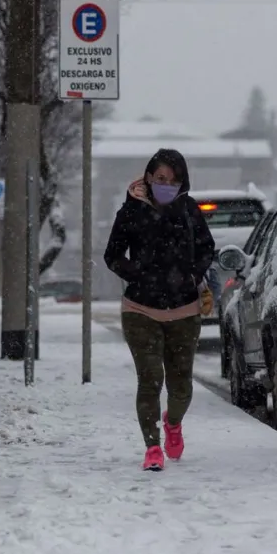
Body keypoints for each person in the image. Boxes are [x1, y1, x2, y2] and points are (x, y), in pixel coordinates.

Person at [103, 149, 216, 471]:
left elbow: (207, 248)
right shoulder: (131, 210)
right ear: (149, 177)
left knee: (181, 386)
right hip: (140, 309)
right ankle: (152, 447)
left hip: (184, 310)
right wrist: (138, 274)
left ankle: (173, 422)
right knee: (150, 378)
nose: (166, 184)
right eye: (161, 178)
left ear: (183, 182)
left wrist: (192, 276)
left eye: (174, 180)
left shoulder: (188, 209)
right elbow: (112, 255)